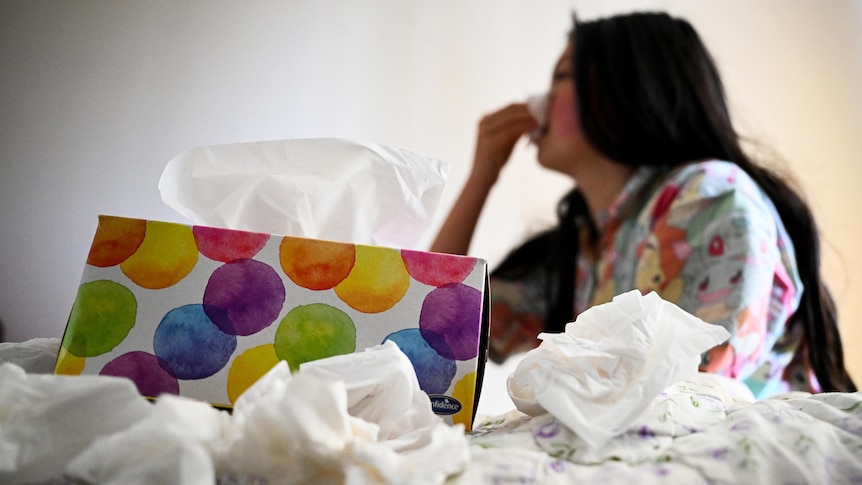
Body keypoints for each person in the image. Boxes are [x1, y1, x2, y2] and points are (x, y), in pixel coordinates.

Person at [431, 11, 856, 398]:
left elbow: (698, 389)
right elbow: (433, 326)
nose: (536, 102)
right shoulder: (580, 252)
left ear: (622, 92)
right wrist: (480, 178)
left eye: (561, 76)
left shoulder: (710, 199)